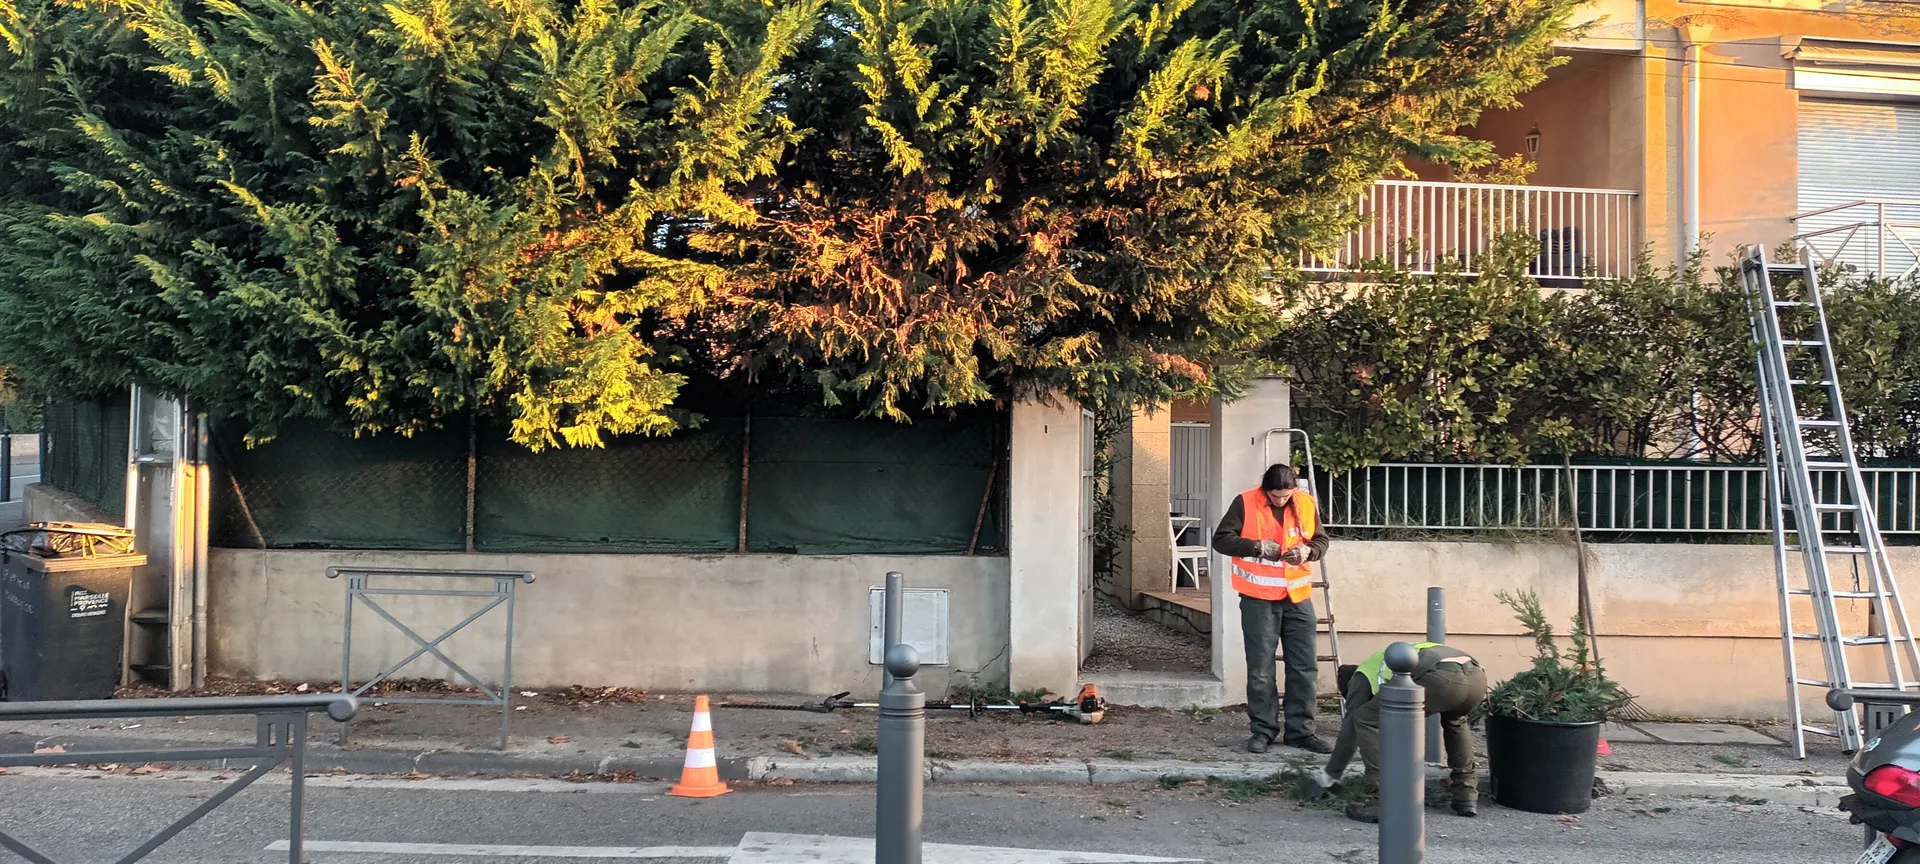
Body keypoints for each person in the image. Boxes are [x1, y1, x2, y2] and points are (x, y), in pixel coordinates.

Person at [1212, 463, 1332, 755]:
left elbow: (1321, 540)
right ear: (1265, 490)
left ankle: (1301, 733)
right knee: (1261, 669)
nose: (1280, 500)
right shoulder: (1245, 502)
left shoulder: (1305, 503)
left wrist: (1308, 551)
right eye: (1275, 496)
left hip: (1298, 597)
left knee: (1304, 666)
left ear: (1293, 490)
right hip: (1258, 597)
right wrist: (1257, 547)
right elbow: (1221, 540)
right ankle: (1263, 731)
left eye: (1285, 496)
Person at [1308, 642, 1488, 822]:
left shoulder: (1360, 678)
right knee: (1455, 721)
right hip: (1476, 676)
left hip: (1440, 678)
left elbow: (1350, 732)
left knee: (1364, 718)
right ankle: (1466, 795)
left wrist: (1329, 777)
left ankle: (1384, 799)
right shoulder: (1381, 662)